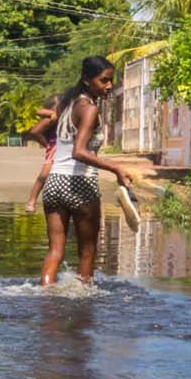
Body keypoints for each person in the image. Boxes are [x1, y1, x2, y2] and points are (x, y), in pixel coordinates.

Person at [39, 56, 134, 285]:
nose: (109, 86)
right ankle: (84, 303)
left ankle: (45, 298)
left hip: (53, 184)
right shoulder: (89, 109)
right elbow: (79, 152)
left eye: (111, 81)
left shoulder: (65, 104)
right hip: (80, 184)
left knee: (55, 252)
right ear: (87, 80)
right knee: (87, 252)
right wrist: (116, 168)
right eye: (104, 81)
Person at [23, 95, 61, 214]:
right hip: (55, 145)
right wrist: (48, 145)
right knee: (44, 175)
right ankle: (31, 201)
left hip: (62, 146)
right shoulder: (51, 118)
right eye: (59, 106)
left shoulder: (65, 116)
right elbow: (37, 113)